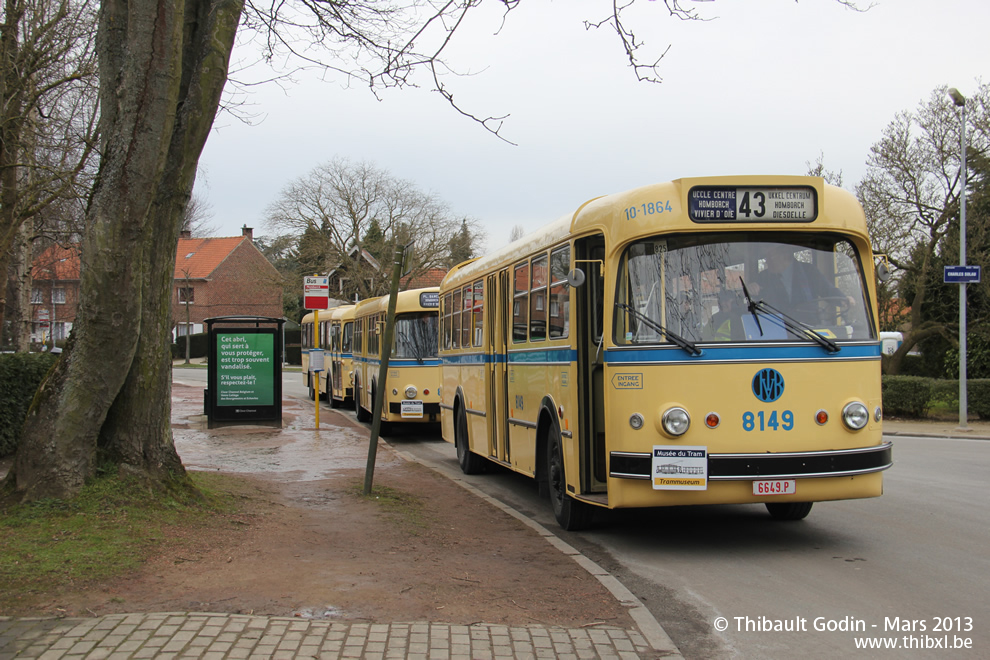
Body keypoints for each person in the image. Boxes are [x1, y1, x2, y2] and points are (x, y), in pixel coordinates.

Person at [752, 244, 852, 319]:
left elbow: (826, 289)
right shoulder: (764, 276)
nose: (767, 261)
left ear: (785, 255)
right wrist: (751, 289)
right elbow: (752, 297)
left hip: (808, 331)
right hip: (777, 329)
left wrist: (843, 299)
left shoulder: (808, 271)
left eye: (770, 257)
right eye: (766, 257)